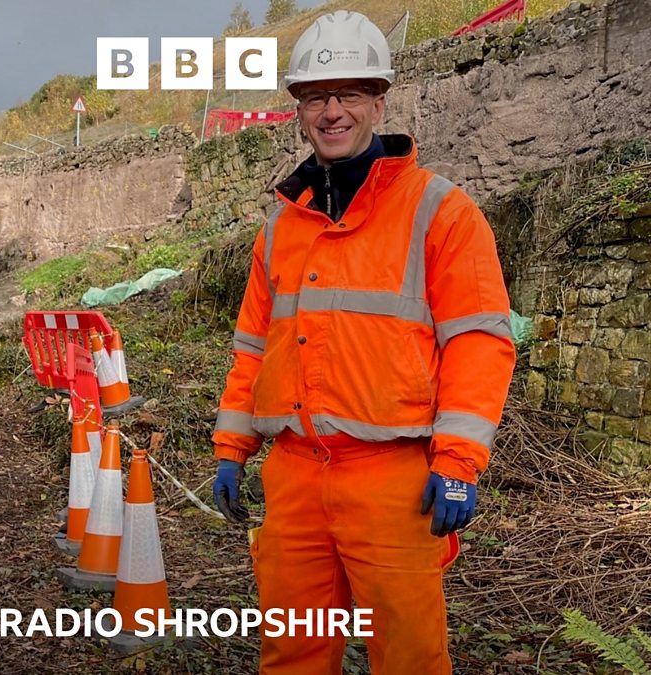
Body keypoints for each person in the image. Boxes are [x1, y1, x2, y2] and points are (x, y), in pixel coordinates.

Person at [211, 10, 516, 674]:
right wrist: (233, 449)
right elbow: (254, 348)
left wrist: (459, 462)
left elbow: (479, 340)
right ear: (298, 109)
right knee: (292, 651)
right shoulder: (279, 229)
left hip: (394, 482)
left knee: (408, 654)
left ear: (379, 100)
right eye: (317, 96)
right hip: (293, 475)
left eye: (349, 93)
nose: (332, 111)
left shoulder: (441, 212)